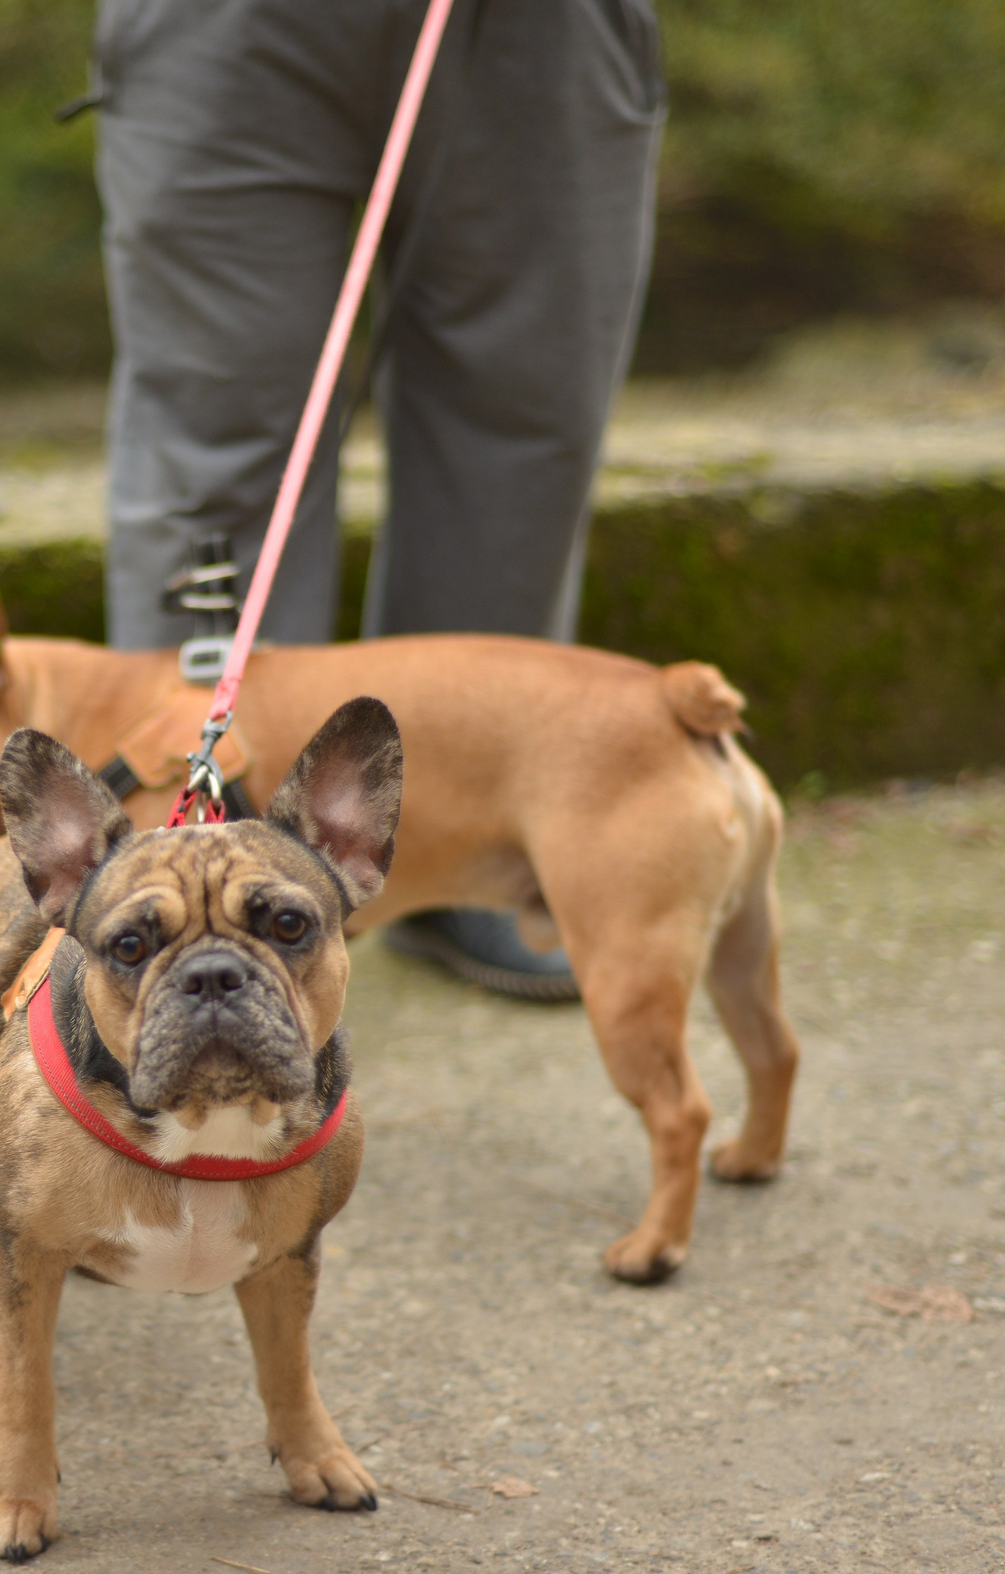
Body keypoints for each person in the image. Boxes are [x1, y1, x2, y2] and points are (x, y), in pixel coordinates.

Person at [89, 0, 664, 1001]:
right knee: (215, 443)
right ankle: (188, 893)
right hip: (231, 31)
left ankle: (461, 851)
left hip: (539, 32)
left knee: (519, 429)